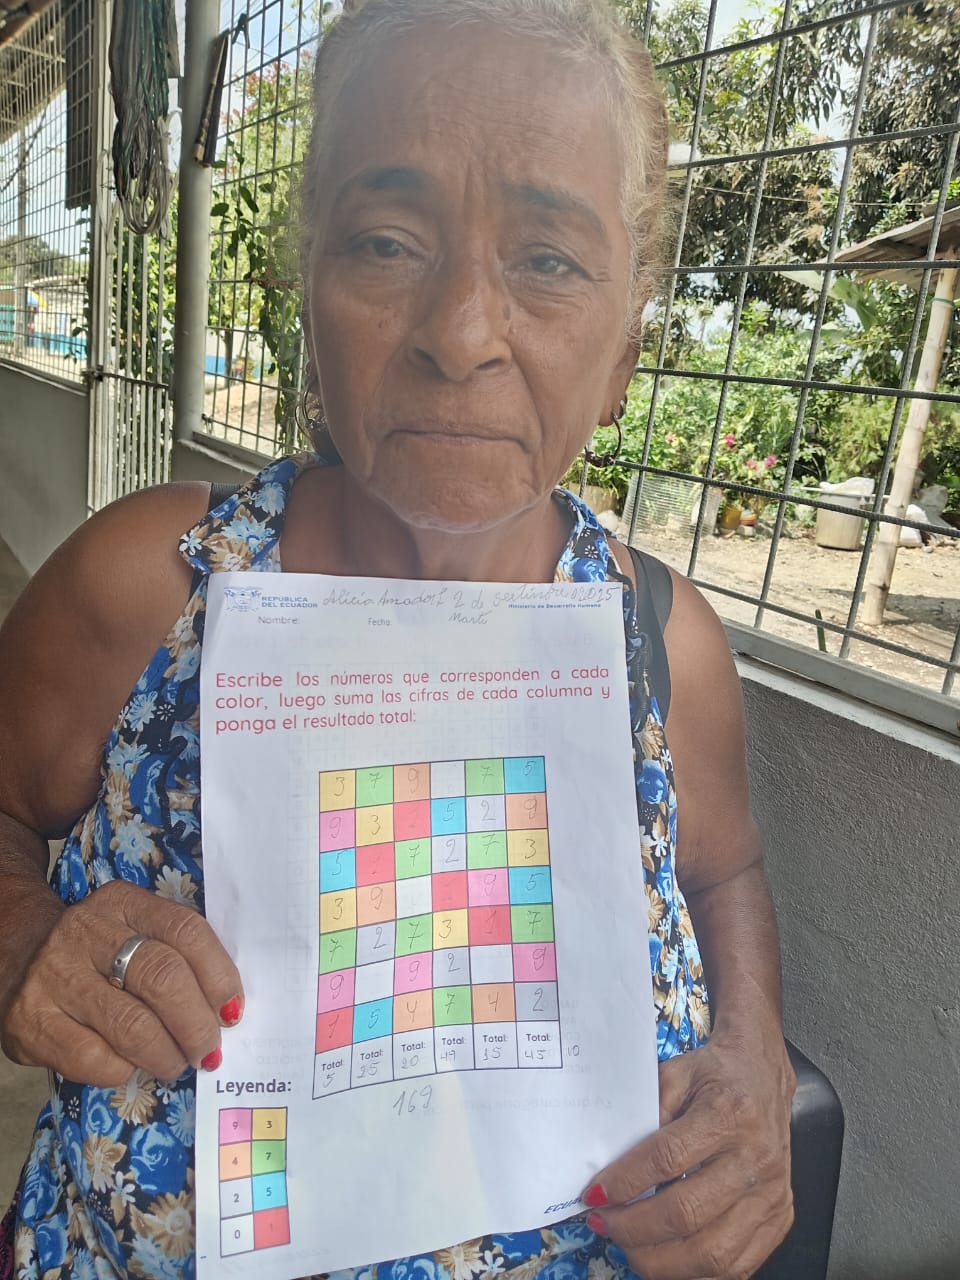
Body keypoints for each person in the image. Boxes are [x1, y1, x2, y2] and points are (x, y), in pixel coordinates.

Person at [0, 1, 796, 1277]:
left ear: (625, 352)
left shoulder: (660, 644)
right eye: (386, 241)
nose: (461, 333)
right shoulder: (151, 589)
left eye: (548, 261)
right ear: (307, 287)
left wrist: (754, 1060)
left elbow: (727, 868)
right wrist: (21, 941)